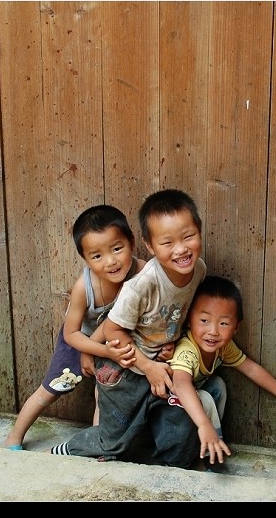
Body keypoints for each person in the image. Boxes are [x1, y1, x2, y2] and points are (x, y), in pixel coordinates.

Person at [51, 188, 206, 468]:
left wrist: (173, 340)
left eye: (188, 237)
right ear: (149, 245)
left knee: (178, 426)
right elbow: (111, 329)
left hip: (159, 362)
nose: (181, 249)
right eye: (168, 242)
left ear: (200, 232)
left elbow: (172, 315)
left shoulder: (199, 271)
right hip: (126, 369)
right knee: (113, 444)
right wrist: (145, 365)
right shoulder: (141, 285)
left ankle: (168, 473)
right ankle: (68, 448)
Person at [3, 204, 144, 450]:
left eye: (117, 249)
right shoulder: (84, 287)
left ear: (131, 242)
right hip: (79, 341)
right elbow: (71, 334)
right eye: (97, 256)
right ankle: (13, 438)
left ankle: (98, 445)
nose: (111, 261)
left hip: (117, 343)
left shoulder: (143, 272)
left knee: (106, 395)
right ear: (85, 259)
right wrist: (95, 351)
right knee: (51, 389)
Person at [168, 275, 276, 465]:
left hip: (194, 403)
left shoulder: (223, 347)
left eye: (223, 323)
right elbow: (180, 383)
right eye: (204, 320)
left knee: (217, 385)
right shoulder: (187, 351)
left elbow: (251, 369)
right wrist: (204, 424)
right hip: (170, 409)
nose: (213, 331)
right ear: (189, 320)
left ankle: (211, 438)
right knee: (204, 398)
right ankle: (207, 450)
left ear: (236, 327)